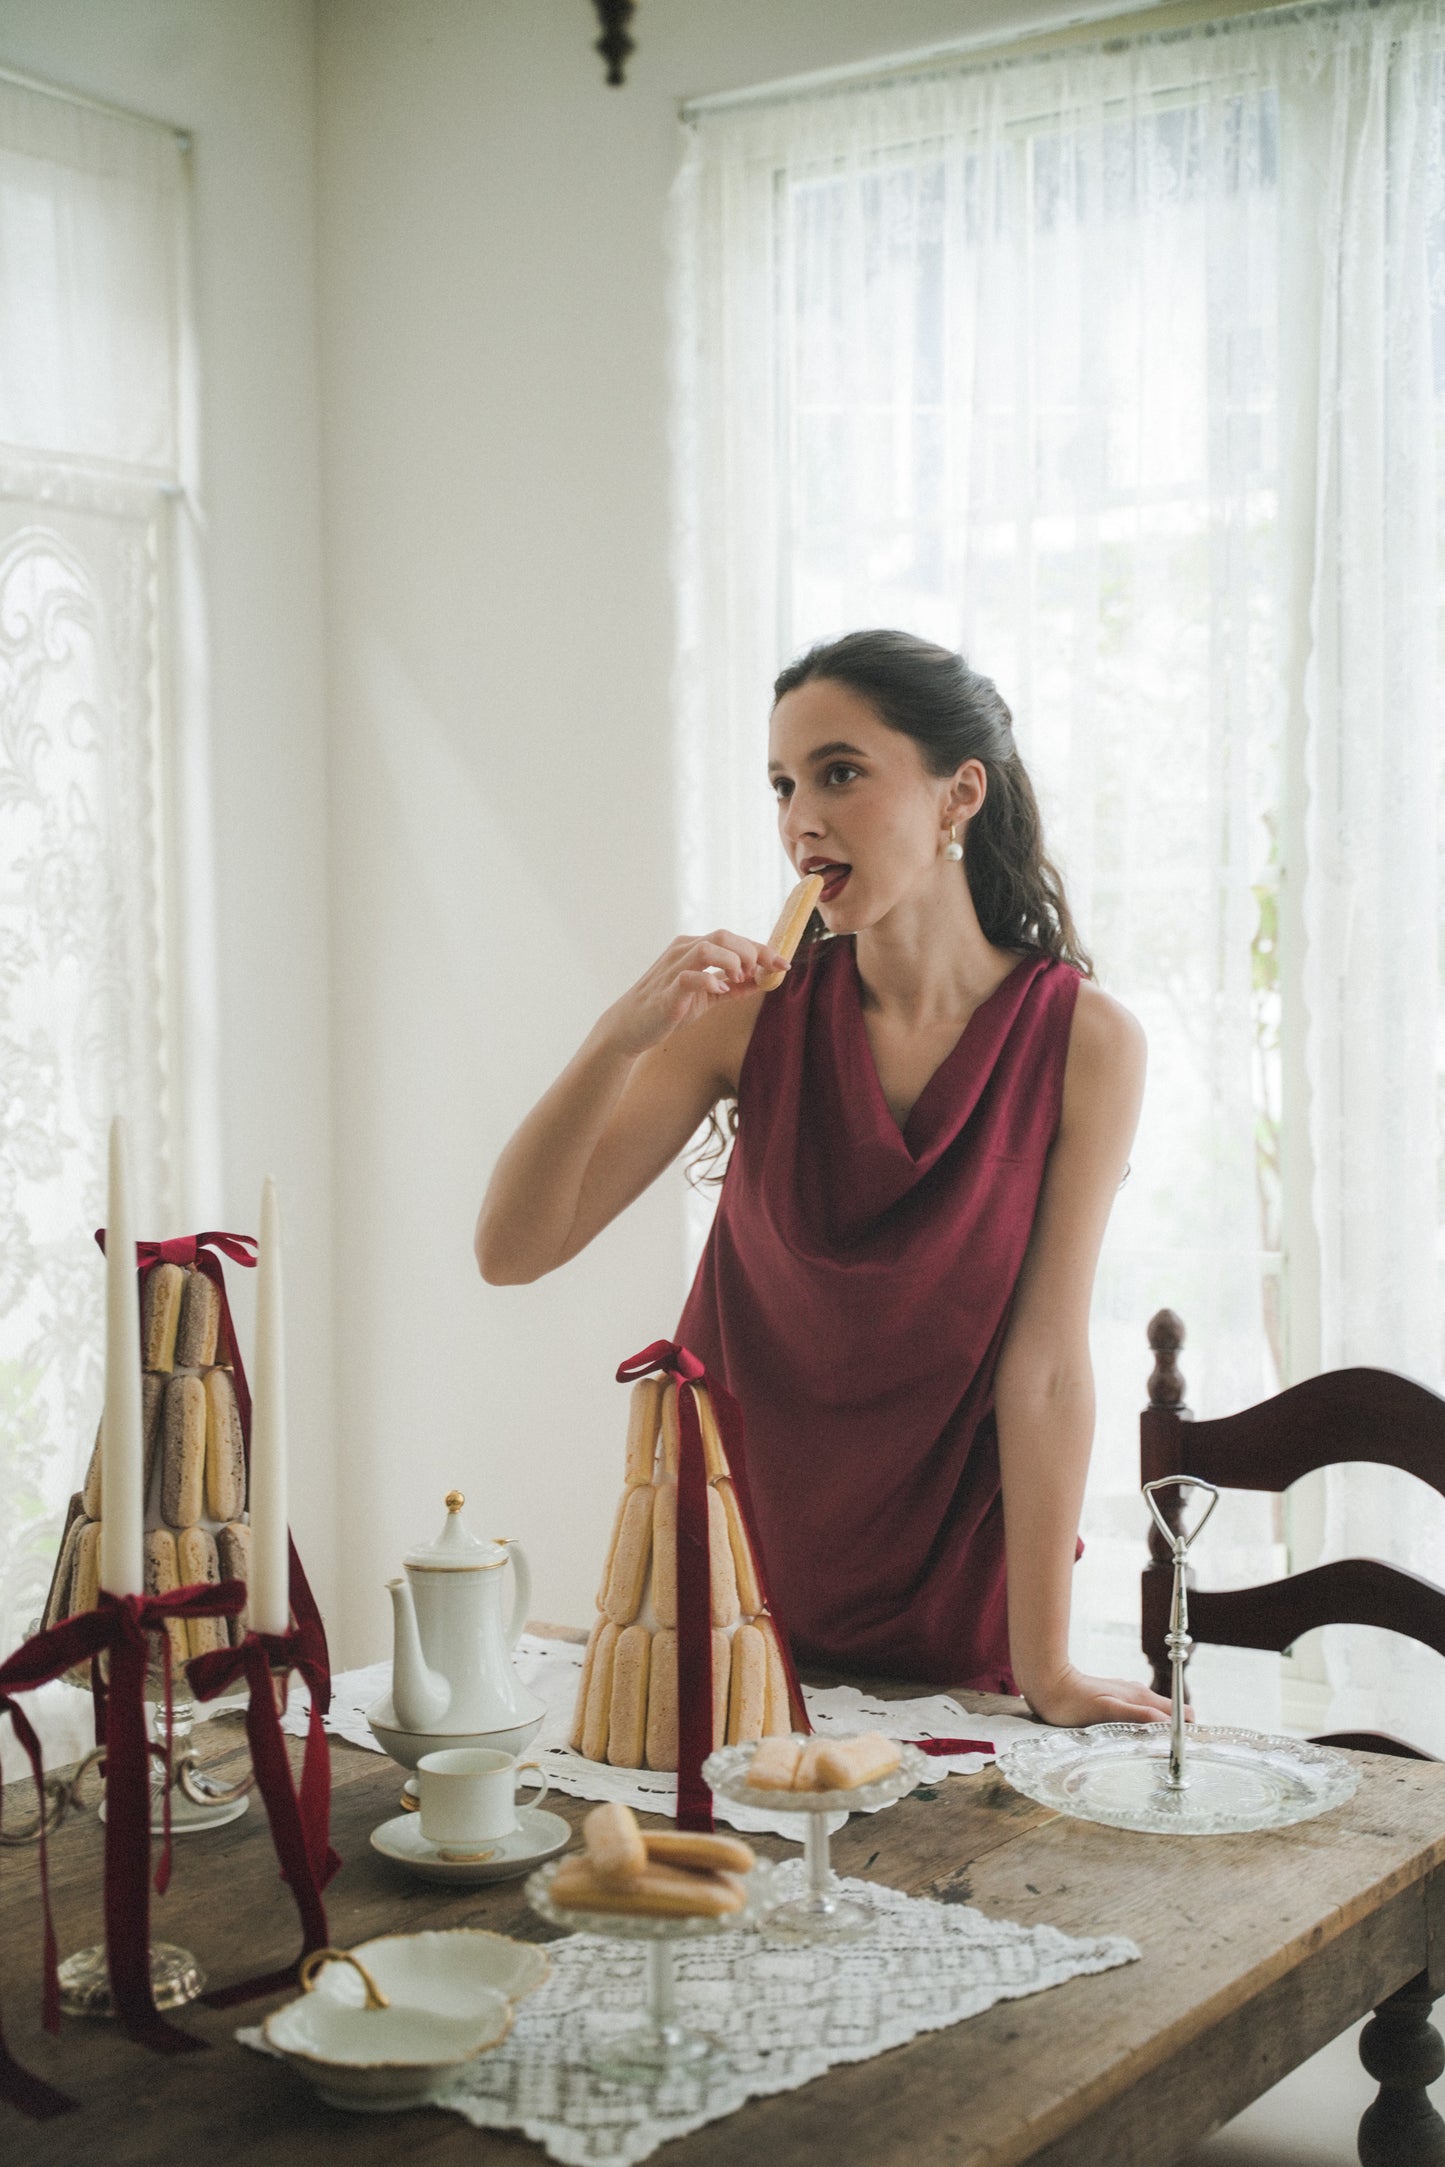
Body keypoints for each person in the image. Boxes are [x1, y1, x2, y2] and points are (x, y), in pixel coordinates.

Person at [477, 630, 1169, 1727]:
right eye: (782, 785)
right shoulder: (747, 1017)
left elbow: (1043, 1368)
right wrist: (618, 1035)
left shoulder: (1086, 1042)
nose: (800, 817)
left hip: (948, 1610)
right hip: (722, 1592)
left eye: (839, 773)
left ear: (958, 794)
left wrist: (1047, 1666)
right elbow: (511, 1250)